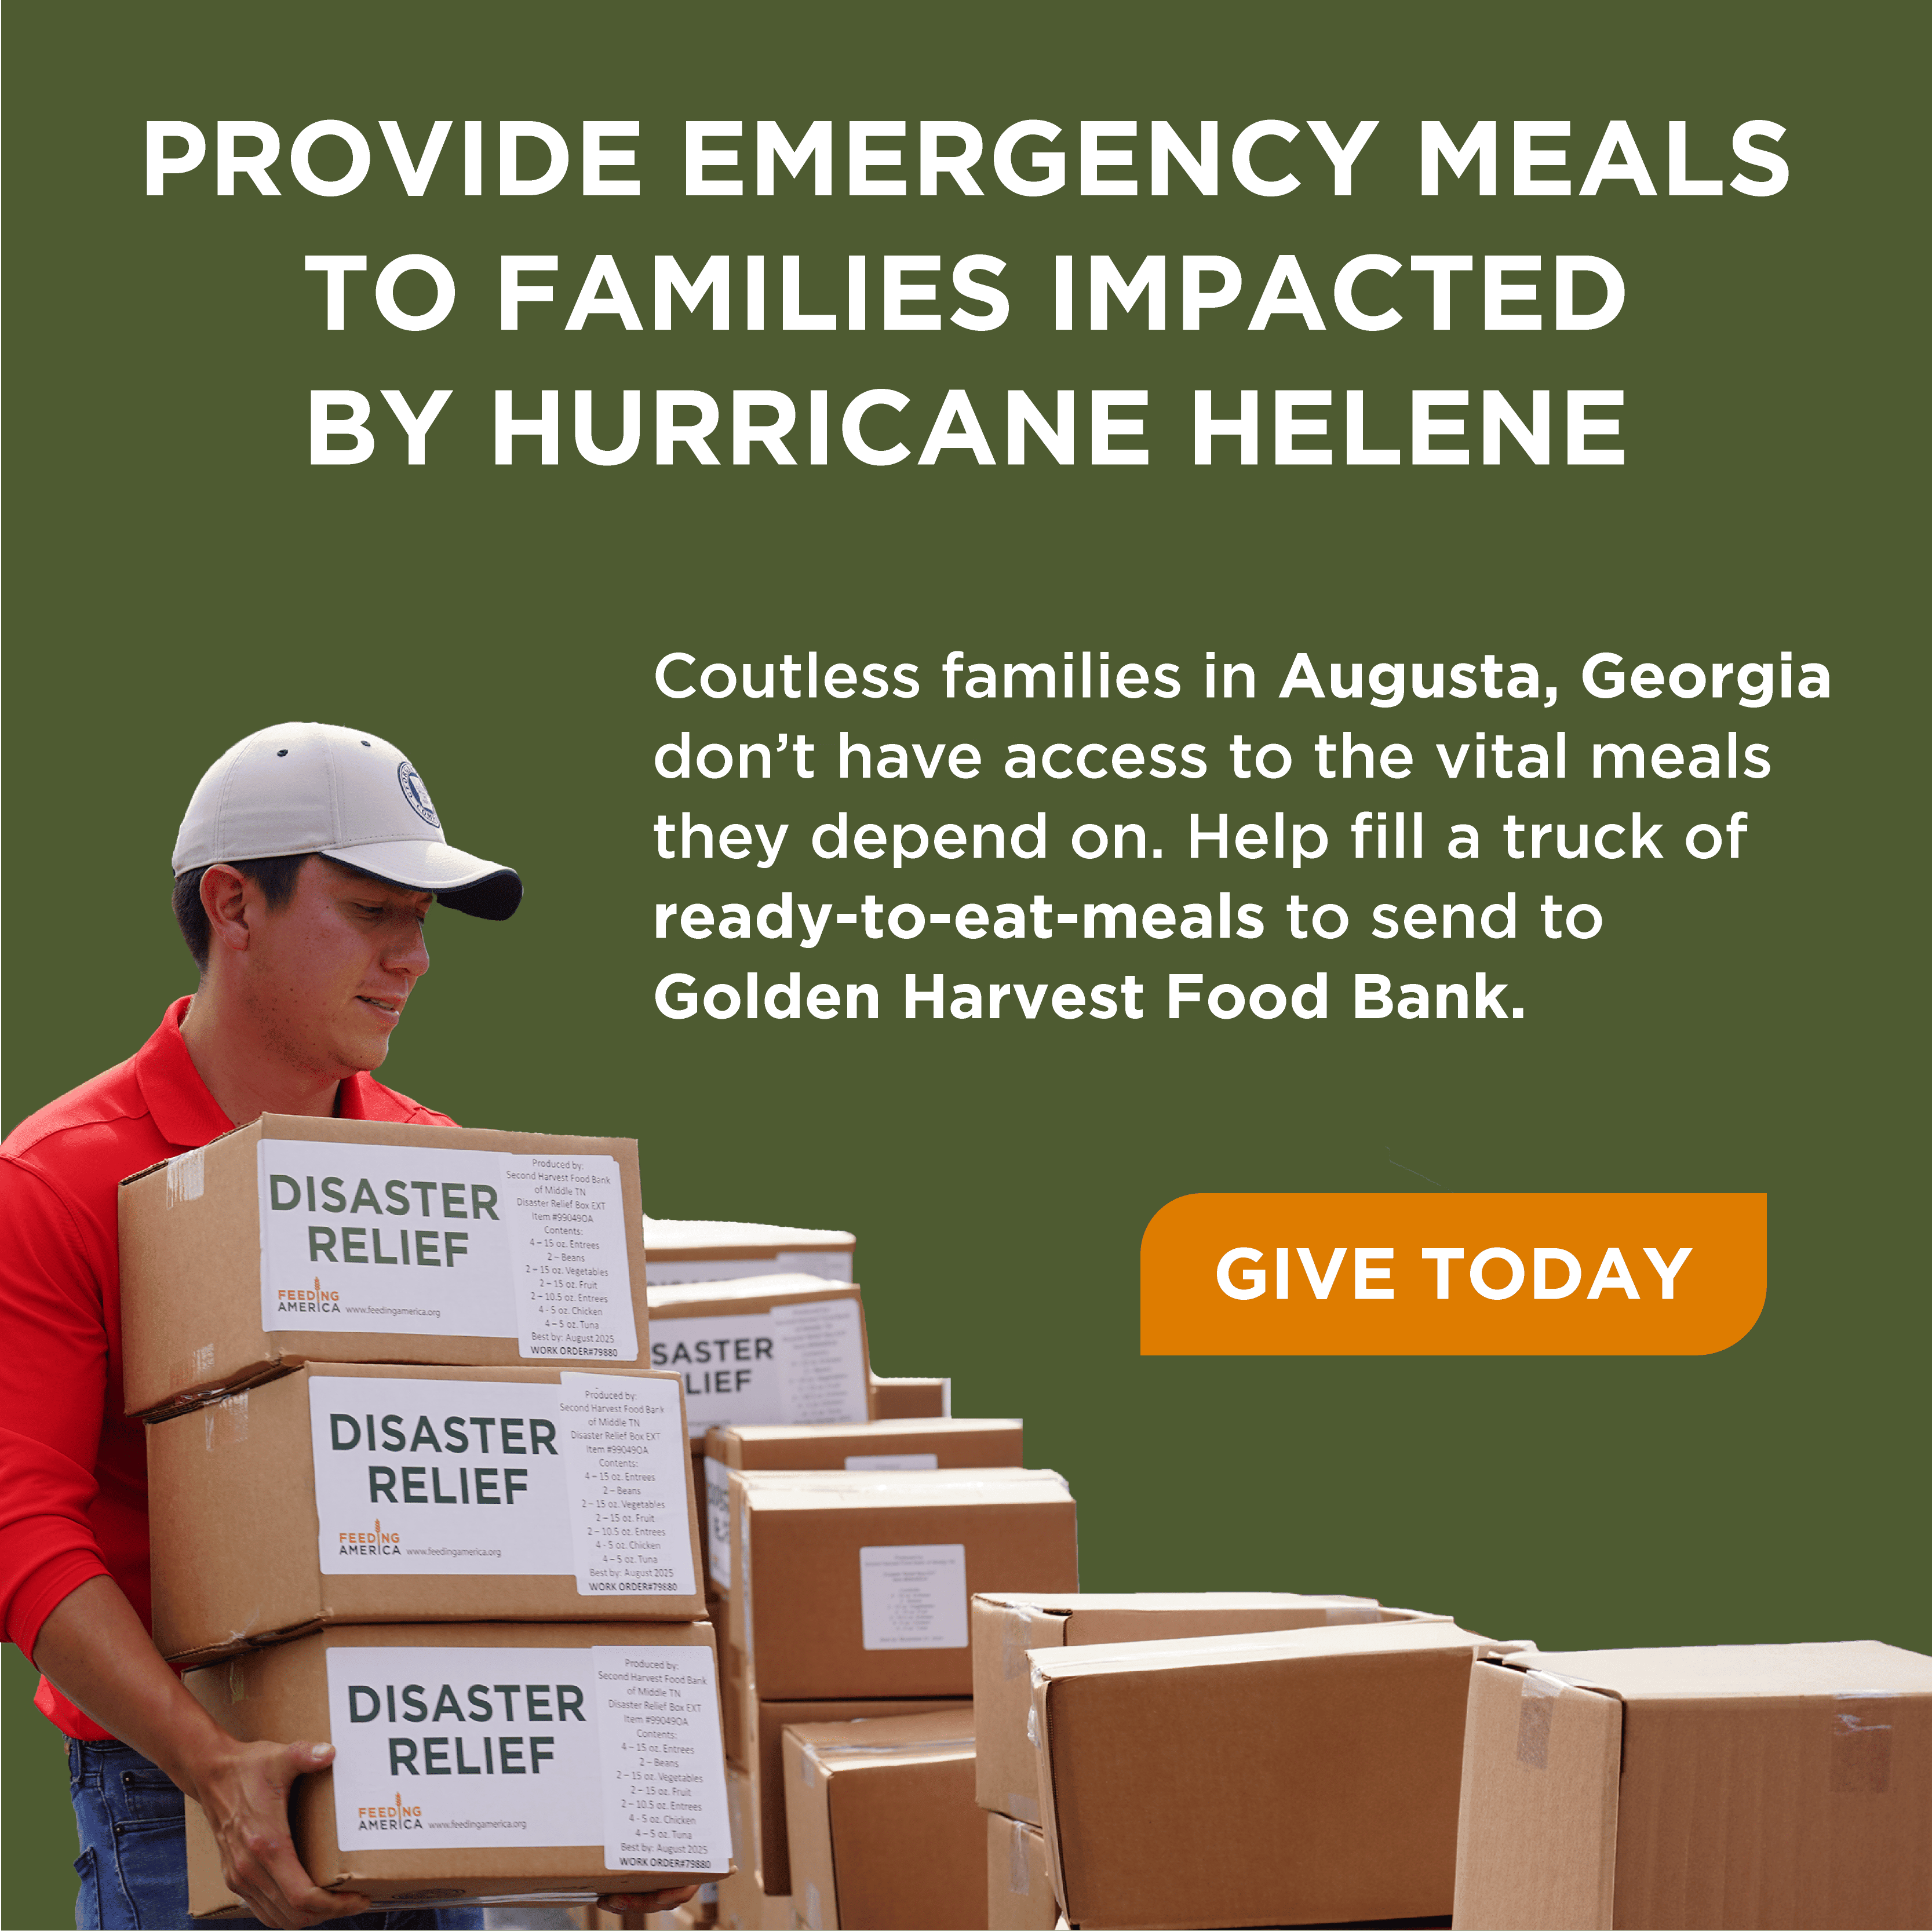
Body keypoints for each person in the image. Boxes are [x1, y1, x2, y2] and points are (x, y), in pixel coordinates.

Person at [0, 724, 695, 1932]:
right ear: (234, 906)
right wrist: (212, 1763)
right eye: (374, 910)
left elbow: (521, 1497)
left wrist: (609, 1798)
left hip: (429, 1773)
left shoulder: (435, 1166)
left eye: (422, 922)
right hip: (176, 1799)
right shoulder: (62, 1178)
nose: (412, 956)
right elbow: (18, 1522)